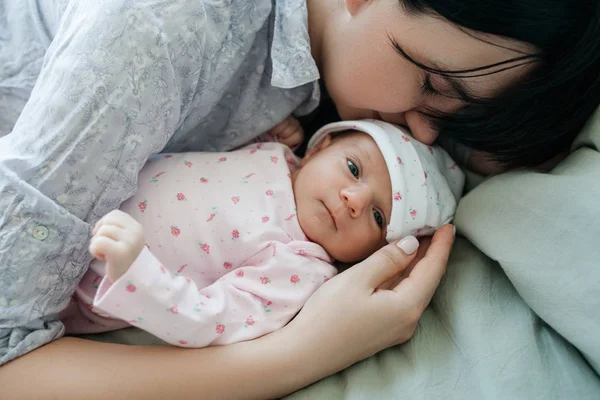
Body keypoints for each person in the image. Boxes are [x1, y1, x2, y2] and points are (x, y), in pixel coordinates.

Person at [0, 0, 597, 398]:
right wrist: (301, 354)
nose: (423, 136)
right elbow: (9, 360)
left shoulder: (328, 88)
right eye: (433, 85)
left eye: (461, 120)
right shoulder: (164, 29)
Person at [60, 120, 464, 345]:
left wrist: (137, 272)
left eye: (378, 217)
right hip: (76, 194)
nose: (354, 199)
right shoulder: (274, 154)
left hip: (80, 278)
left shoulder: (301, 268)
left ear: (369, 255)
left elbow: (211, 321)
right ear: (321, 146)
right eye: (354, 169)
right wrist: (266, 132)